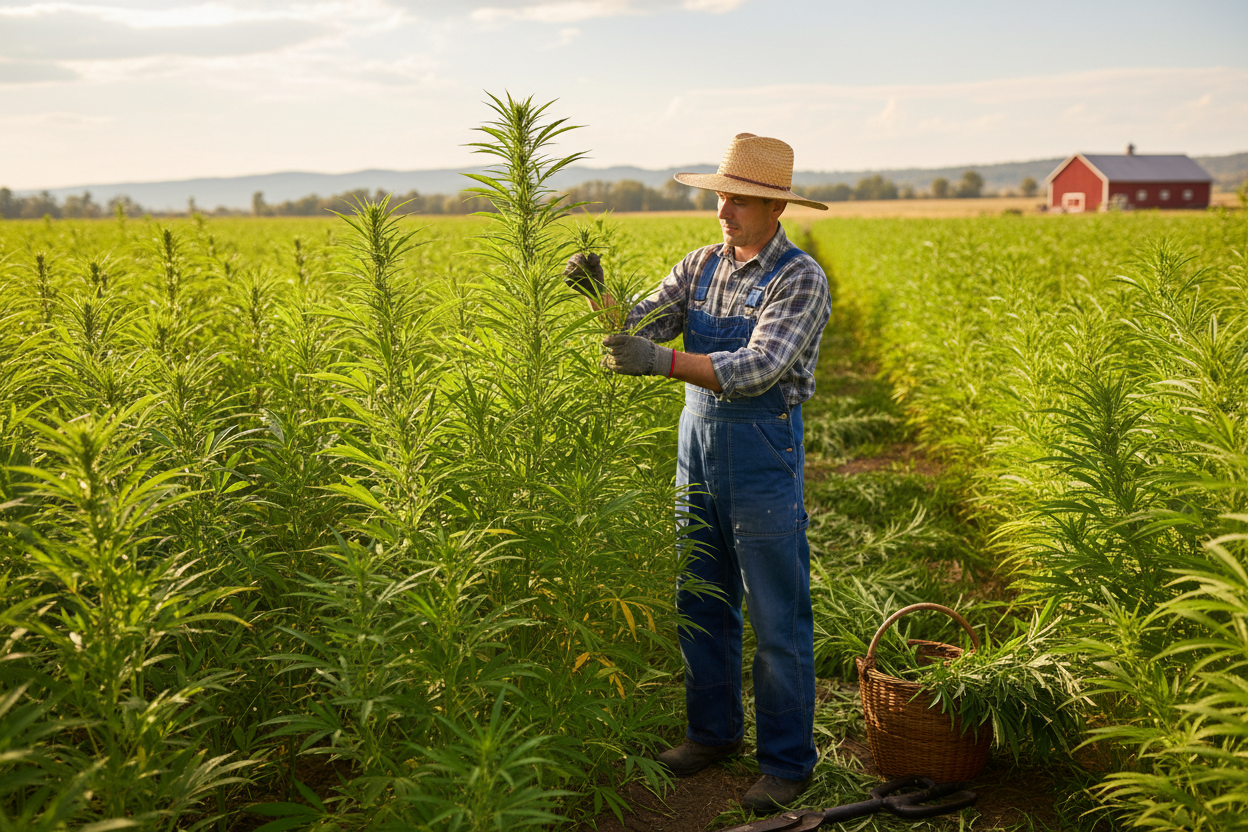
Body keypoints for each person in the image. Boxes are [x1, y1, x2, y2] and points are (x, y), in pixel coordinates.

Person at [564, 133, 831, 812]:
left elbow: (758, 367)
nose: (725, 208)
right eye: (722, 193)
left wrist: (666, 363)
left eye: (741, 198)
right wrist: (601, 297)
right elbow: (644, 323)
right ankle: (712, 734)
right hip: (697, 448)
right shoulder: (699, 265)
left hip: (764, 450)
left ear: (775, 208)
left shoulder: (799, 277)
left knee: (777, 616)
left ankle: (787, 762)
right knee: (701, 596)